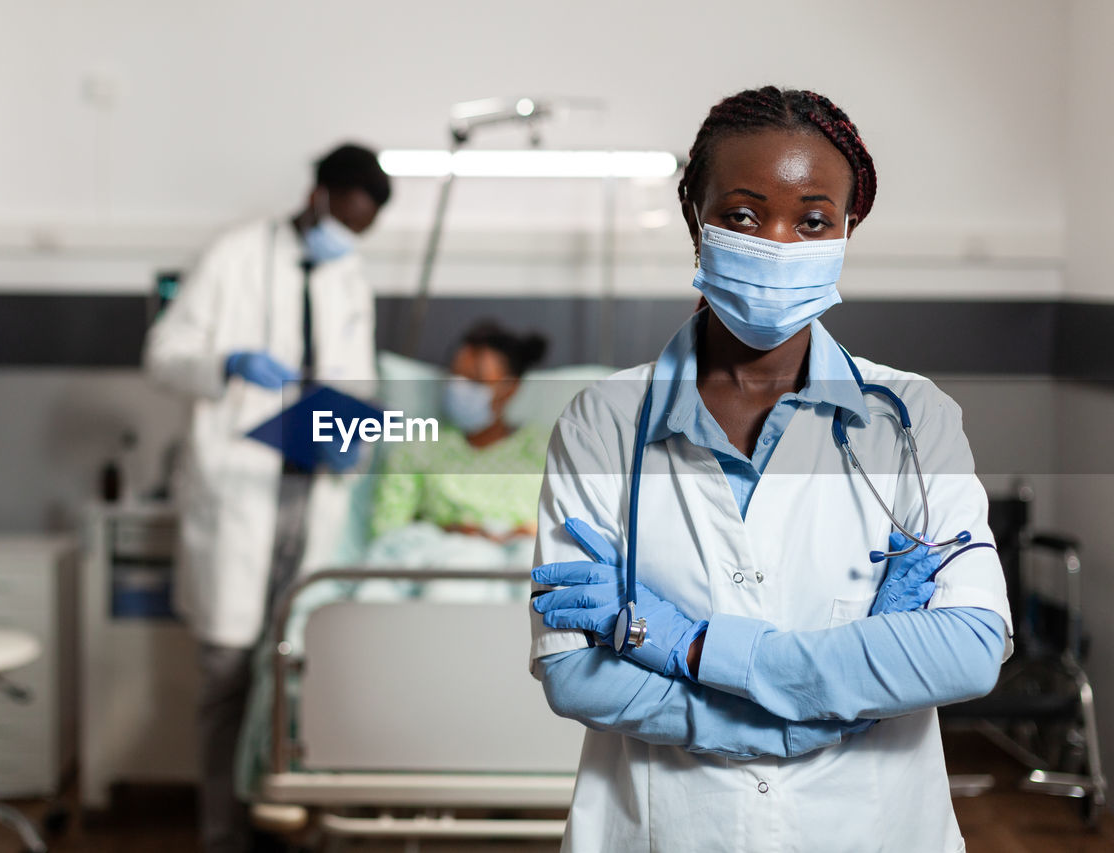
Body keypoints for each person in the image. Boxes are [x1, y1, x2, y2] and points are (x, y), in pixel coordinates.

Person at [529, 87, 1012, 852]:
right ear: (697, 216)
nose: (778, 241)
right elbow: (577, 674)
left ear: (847, 228)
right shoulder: (604, 421)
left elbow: (966, 648)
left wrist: (692, 648)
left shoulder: (912, 419)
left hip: (870, 828)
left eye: (812, 219)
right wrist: (815, 712)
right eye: (745, 215)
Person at [143, 143, 390, 853]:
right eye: (343, 218)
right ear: (317, 196)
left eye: (360, 229)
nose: (347, 238)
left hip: (311, 497)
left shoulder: (348, 277)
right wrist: (224, 362)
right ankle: (222, 834)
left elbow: (361, 377)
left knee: (292, 673)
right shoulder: (232, 255)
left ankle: (286, 825)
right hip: (240, 490)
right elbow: (162, 355)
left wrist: (357, 430)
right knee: (225, 677)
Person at [369, 320, 550, 544]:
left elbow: (573, 529)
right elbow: (387, 535)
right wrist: (445, 532)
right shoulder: (417, 450)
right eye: (455, 376)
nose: (459, 387)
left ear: (510, 388)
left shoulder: (547, 451)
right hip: (445, 559)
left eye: (475, 380)